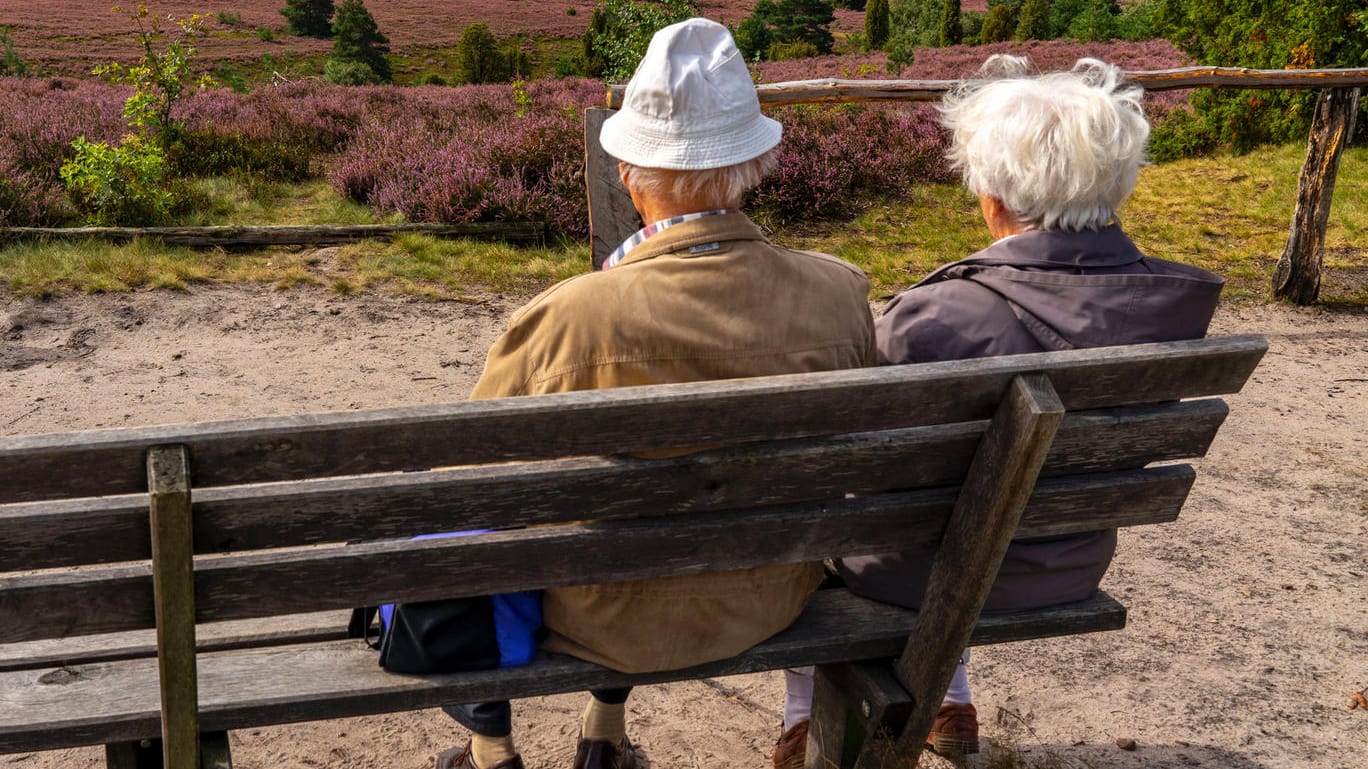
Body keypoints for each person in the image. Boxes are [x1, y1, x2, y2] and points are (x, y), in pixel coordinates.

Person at [438, 18, 877, 769]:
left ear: (628, 173)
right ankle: (603, 738)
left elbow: (469, 488)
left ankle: (491, 750)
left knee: (440, 536)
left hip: (605, 617)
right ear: (760, 162)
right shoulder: (840, 294)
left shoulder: (567, 317)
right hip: (769, 597)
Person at [773, 55, 1224, 767]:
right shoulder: (1171, 308)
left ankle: (807, 723)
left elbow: (841, 450)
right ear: (1118, 182)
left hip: (911, 574)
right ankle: (949, 702)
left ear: (990, 193)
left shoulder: (933, 319)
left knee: (807, 520)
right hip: (1064, 564)